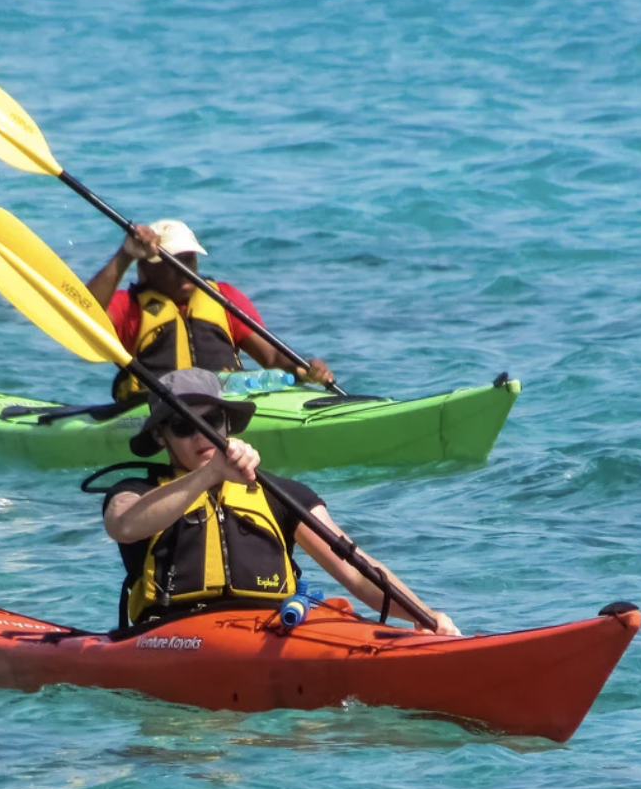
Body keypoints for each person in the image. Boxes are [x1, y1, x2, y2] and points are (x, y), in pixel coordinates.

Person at [99, 368, 459, 635]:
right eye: (183, 426)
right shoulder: (138, 491)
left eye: (210, 420)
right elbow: (123, 525)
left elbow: (354, 567)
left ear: (226, 422)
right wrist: (210, 474)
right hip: (176, 635)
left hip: (273, 632)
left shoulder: (282, 496)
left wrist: (423, 616)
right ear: (161, 436)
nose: (200, 435)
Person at [85, 219, 334, 401]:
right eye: (172, 262)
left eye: (189, 260)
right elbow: (83, 315)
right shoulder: (129, 306)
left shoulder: (223, 297)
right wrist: (124, 257)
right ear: (145, 270)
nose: (184, 269)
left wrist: (305, 368)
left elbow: (271, 358)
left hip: (227, 400)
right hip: (157, 409)